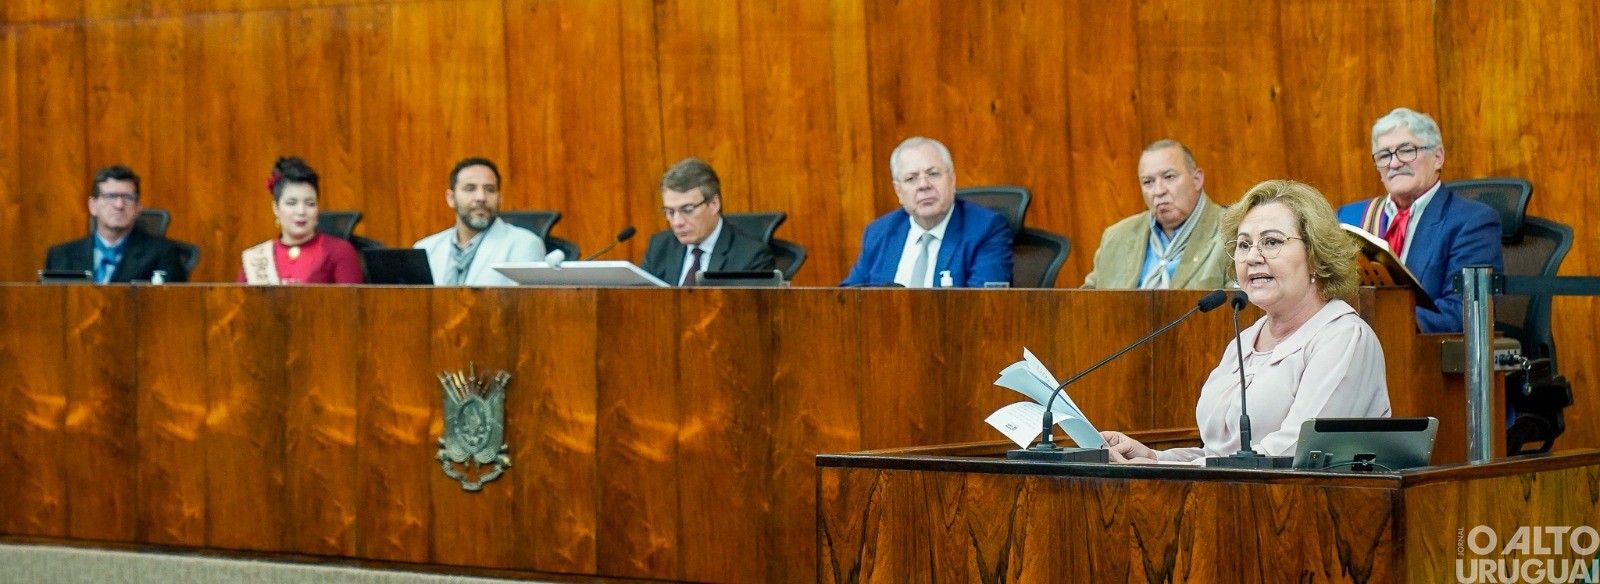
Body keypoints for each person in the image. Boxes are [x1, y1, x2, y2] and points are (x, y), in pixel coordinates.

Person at [1100, 180, 1390, 463]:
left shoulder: (1344, 338)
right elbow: (1219, 456)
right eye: (1243, 244)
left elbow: (1294, 453)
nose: (1252, 256)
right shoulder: (1246, 340)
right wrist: (1156, 458)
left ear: (1315, 256)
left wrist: (1178, 469)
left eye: (1272, 242)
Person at [1337, 107, 1502, 333]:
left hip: (1422, 351)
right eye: (1384, 155)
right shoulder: (1349, 218)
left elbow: (1463, 314)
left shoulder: (1473, 222)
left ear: (1438, 157)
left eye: (1407, 150)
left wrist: (1378, 318)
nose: (1394, 163)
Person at [840, 137, 1012, 287]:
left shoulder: (985, 229)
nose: (923, 185)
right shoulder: (879, 232)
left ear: (952, 180)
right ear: (898, 191)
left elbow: (985, 304)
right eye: (911, 178)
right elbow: (848, 299)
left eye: (934, 174)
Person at [1082, 139, 1228, 289]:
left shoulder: (1232, 233)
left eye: (1169, 177)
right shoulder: (1116, 236)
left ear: (1197, 179)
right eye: (1148, 182)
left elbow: (1238, 302)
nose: (1158, 191)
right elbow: (1087, 298)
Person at [640, 158, 776, 285]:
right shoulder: (659, 247)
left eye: (687, 210)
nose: (677, 222)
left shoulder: (751, 256)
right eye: (670, 212)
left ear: (714, 204)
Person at [44, 165, 189, 283]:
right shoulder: (61, 256)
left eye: (128, 197)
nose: (119, 205)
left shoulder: (163, 254)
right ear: (92, 206)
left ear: (138, 208)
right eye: (110, 196)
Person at [414, 157, 546, 286]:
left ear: (500, 198)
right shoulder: (426, 249)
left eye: (490, 189)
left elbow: (527, 301)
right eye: (470, 188)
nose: (481, 197)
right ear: (451, 198)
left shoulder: (524, 245)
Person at [238, 157, 364, 284]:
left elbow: (352, 297)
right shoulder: (255, 258)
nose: (301, 211)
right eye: (291, 203)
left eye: (310, 204)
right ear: (276, 208)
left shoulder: (339, 251)